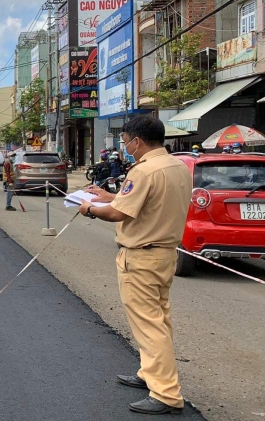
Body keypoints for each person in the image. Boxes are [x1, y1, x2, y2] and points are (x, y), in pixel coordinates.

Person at [78, 115, 191, 415]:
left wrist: (90, 208)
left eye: (125, 141)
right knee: (159, 319)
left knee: (148, 324)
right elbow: (144, 203)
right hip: (165, 254)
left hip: (141, 256)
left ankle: (166, 393)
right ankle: (149, 372)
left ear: (137, 141)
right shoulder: (177, 166)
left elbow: (118, 215)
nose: (125, 146)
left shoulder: (143, 172)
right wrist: (109, 196)